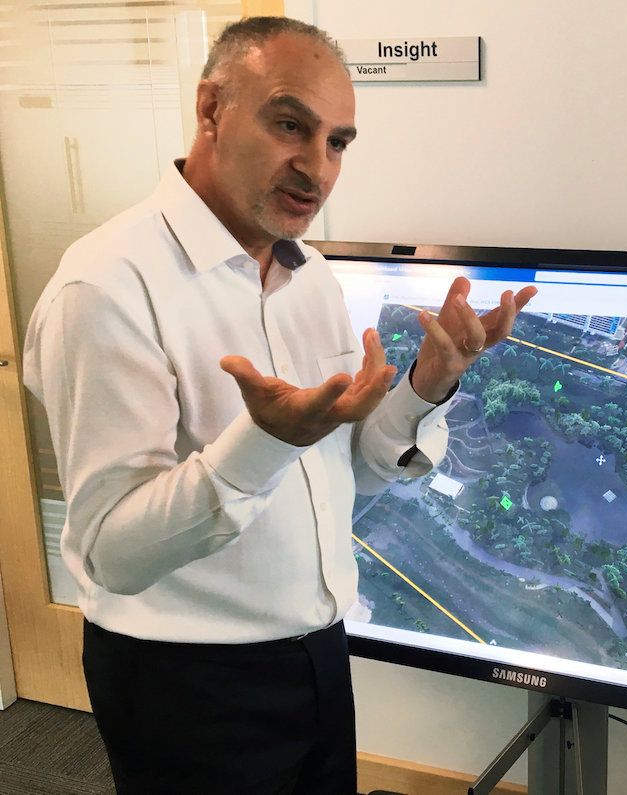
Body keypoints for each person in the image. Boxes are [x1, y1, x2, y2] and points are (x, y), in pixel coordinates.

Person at [21, 16, 536, 794]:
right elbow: (108, 552)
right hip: (186, 684)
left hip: (319, 653)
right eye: (290, 124)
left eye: (338, 142)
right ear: (211, 110)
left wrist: (427, 385)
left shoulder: (313, 278)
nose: (317, 167)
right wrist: (262, 441)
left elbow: (353, 476)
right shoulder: (106, 287)